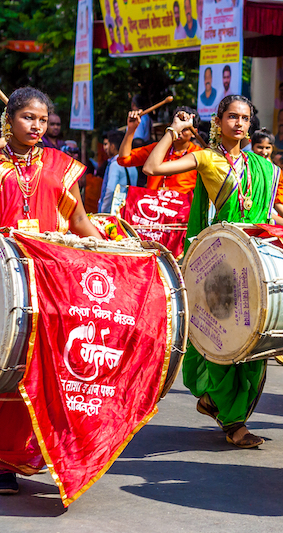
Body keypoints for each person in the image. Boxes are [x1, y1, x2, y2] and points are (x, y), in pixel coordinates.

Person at [143, 95, 281, 449]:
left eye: (245, 118)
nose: (239, 123)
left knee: (253, 342)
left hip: (252, 264)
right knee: (222, 338)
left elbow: (265, 214)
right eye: (232, 116)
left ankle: (216, 404)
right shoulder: (206, 158)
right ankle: (233, 421)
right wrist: (173, 133)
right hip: (217, 267)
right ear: (217, 121)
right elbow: (152, 169)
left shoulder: (261, 167)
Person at [0, 87, 101, 495]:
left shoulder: (60, 166)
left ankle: (26, 453)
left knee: (38, 368)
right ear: (10, 119)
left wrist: (110, 253)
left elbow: (78, 221)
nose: (36, 126)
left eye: (42, 120)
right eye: (27, 118)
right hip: (3, 283)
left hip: (49, 284)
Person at [118, 106, 202, 195]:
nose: (179, 131)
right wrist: (131, 129)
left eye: (184, 129)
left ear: (194, 132)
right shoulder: (157, 149)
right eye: (177, 126)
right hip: (153, 204)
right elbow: (124, 159)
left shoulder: (199, 154)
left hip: (182, 207)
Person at [99, 130, 136, 212]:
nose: (106, 148)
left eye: (107, 144)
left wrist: (103, 210)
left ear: (112, 146)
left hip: (114, 211)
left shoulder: (115, 165)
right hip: (127, 210)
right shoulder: (132, 165)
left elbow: (110, 190)